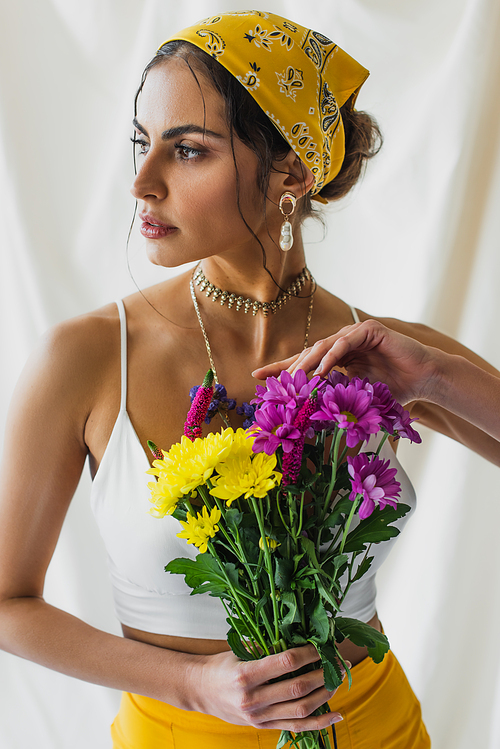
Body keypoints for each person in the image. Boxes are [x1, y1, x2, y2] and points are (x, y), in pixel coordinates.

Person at [0, 9, 498, 749]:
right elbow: (7, 602)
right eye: (142, 144)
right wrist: (191, 683)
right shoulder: (88, 355)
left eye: (188, 151)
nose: (141, 182)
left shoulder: (386, 354)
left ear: (291, 170)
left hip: (378, 731)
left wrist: (435, 375)